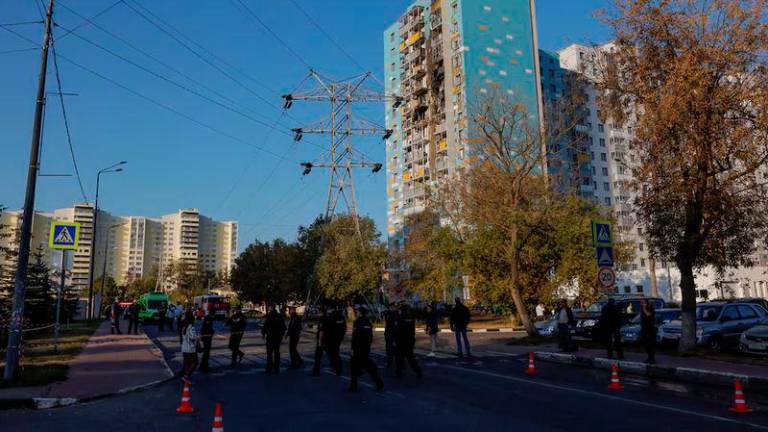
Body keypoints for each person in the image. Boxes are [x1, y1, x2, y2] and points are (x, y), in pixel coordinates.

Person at [349, 307, 384, 392]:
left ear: (360, 313)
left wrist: (352, 348)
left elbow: (354, 337)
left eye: (357, 312)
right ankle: (378, 382)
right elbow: (370, 336)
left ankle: (353, 386)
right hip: (366, 348)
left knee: (354, 367)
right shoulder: (368, 322)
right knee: (368, 366)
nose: (356, 313)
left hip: (358, 348)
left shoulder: (357, 322)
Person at [395, 304, 422, 379]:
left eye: (399, 310)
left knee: (399, 357)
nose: (399, 311)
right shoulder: (411, 318)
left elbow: (398, 330)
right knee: (410, 357)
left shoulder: (400, 318)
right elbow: (412, 330)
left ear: (401, 310)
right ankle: (418, 370)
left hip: (401, 341)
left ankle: (398, 373)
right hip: (410, 340)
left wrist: (395, 340)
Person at [262, 305, 286, 374]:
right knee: (277, 352)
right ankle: (276, 368)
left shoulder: (269, 316)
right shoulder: (279, 316)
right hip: (278, 338)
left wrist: (263, 334)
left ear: (271, 309)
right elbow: (283, 327)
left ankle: (269, 368)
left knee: (269, 353)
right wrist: (281, 335)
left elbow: (265, 326)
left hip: (270, 337)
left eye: (269, 308)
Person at [179, 310, 199, 384]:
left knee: (187, 363)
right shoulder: (191, 327)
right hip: (190, 348)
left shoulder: (184, 326)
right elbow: (193, 337)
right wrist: (197, 337)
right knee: (195, 362)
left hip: (184, 348)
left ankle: (185, 376)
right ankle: (186, 376)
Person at [329, 305, 347, 376]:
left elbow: (329, 327)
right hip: (339, 337)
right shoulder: (342, 317)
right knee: (335, 352)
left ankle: (337, 368)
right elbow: (344, 328)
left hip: (333, 338)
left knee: (334, 353)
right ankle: (335, 366)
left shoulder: (333, 316)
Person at [639, 298, 656, 364]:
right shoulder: (642, 309)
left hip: (650, 330)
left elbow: (648, 315)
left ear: (647, 303)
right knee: (646, 345)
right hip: (644, 329)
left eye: (644, 303)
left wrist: (644, 308)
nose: (642, 304)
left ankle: (652, 359)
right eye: (641, 303)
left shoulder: (650, 308)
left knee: (651, 345)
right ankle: (649, 358)